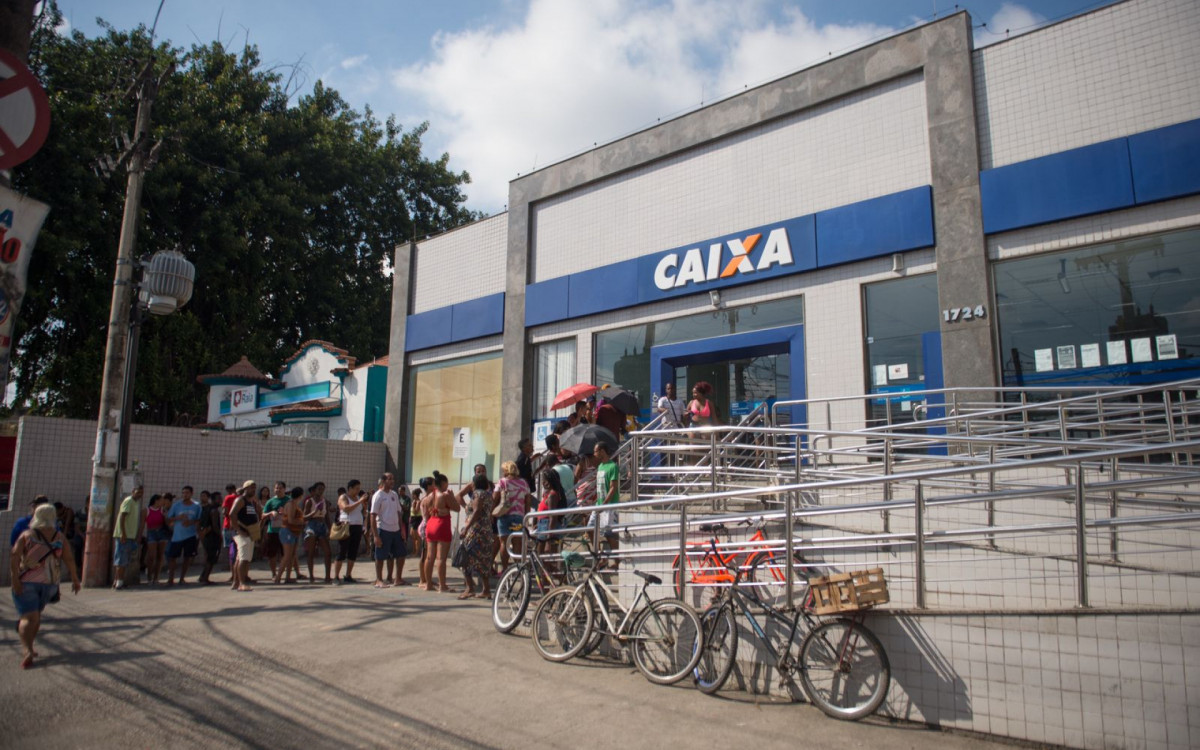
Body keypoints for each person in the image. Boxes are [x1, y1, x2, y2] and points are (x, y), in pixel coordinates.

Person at [10, 504, 80, 669]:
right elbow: (69, 559)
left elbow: (14, 556)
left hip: (27, 581)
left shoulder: (28, 535)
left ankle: (27, 649)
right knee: (36, 616)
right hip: (49, 584)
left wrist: (14, 579)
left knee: (28, 617)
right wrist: (75, 579)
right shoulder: (59, 537)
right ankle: (31, 647)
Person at [420, 471, 459, 592]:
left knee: (429, 557)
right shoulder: (445, 495)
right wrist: (452, 496)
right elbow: (457, 508)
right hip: (442, 524)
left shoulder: (429, 497)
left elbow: (425, 512)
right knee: (441, 558)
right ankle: (442, 585)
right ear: (443, 483)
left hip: (431, 524)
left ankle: (428, 584)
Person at [457, 474, 495, 600]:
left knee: (465, 557)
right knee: (484, 559)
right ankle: (486, 590)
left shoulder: (477, 494)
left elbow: (477, 511)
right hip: (486, 531)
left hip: (476, 531)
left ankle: (469, 588)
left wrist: (466, 528)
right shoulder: (489, 495)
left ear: (475, 483)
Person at [493, 460, 530, 573]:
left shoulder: (502, 482)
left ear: (506, 470)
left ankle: (504, 569)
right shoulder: (524, 483)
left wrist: (492, 513)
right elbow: (527, 501)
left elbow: (495, 498)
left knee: (504, 543)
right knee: (517, 543)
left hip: (504, 516)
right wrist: (526, 516)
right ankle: (518, 568)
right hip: (519, 517)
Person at [370, 473, 406, 588]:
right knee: (380, 556)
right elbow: (372, 516)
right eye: (390, 479)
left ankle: (398, 578)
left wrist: (402, 530)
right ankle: (379, 580)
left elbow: (399, 513)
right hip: (383, 529)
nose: (392, 481)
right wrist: (376, 536)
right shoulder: (378, 495)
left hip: (395, 530)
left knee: (401, 554)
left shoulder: (394, 494)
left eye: (393, 478)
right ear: (383, 481)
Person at [591, 442, 621, 569]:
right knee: (590, 529)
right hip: (599, 505)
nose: (594, 454)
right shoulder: (600, 466)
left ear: (602, 451)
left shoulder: (613, 466)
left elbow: (613, 488)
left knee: (608, 534)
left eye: (596, 451)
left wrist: (604, 504)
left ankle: (617, 559)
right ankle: (600, 556)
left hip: (609, 506)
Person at [165, 486, 203, 586]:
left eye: (187, 493)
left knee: (187, 557)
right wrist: (178, 517)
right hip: (177, 536)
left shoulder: (197, 506)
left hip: (190, 535)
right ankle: (171, 579)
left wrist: (191, 522)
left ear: (191, 493)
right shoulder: (176, 505)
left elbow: (199, 520)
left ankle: (182, 578)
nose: (185, 495)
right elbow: (168, 519)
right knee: (172, 557)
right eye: (183, 493)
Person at [333, 479, 367, 584]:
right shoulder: (344, 497)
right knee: (341, 552)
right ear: (350, 488)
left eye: (359, 488)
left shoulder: (357, 498)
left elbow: (363, 511)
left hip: (357, 526)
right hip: (346, 526)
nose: (358, 491)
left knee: (353, 552)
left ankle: (348, 575)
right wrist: (360, 501)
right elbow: (346, 508)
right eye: (356, 488)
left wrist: (363, 507)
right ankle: (336, 577)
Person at [228, 480, 259, 592]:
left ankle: (236, 582)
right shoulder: (241, 500)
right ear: (245, 488)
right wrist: (239, 530)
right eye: (251, 487)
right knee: (244, 559)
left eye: (254, 488)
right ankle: (242, 583)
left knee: (240, 558)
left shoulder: (251, 501)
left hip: (250, 533)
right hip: (242, 534)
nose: (253, 490)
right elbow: (232, 514)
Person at [111, 485, 144, 589]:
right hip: (124, 536)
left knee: (124, 560)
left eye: (141, 493)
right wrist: (123, 533)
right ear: (133, 491)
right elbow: (122, 517)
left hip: (130, 535)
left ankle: (118, 581)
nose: (139, 495)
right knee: (121, 560)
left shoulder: (136, 503)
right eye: (138, 492)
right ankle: (118, 582)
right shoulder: (128, 501)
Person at [303, 482, 333, 584]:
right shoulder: (309, 501)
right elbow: (304, 517)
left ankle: (327, 576)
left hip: (322, 526)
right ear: (314, 490)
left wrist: (331, 529)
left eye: (322, 489)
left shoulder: (324, 501)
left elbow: (327, 517)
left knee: (328, 553)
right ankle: (311, 576)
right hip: (312, 525)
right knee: (311, 553)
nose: (321, 491)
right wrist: (314, 511)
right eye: (319, 489)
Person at [275, 487, 306, 584]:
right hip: (287, 531)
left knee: (292, 555)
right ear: (300, 495)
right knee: (287, 555)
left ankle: (288, 577)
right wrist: (302, 521)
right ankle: (278, 578)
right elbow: (291, 520)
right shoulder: (291, 504)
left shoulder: (294, 504)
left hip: (294, 532)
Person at [536, 464, 567, 562]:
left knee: (543, 560)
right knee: (544, 560)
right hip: (544, 526)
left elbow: (552, 517)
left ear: (549, 482)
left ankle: (546, 577)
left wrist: (549, 540)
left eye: (544, 480)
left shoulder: (552, 495)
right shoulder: (549, 494)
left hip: (547, 528)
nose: (542, 483)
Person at [261, 482, 289, 581]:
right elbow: (262, 515)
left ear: (284, 489)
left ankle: (283, 574)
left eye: (280, 488)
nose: (278, 490)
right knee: (271, 554)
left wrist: (285, 512)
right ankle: (274, 573)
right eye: (276, 488)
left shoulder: (289, 500)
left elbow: (296, 514)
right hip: (272, 531)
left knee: (285, 554)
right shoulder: (270, 501)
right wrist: (271, 513)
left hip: (286, 530)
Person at [197, 490, 223, 585]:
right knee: (211, 559)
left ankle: (202, 576)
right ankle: (205, 578)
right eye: (219, 499)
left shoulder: (206, 509)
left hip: (206, 536)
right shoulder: (214, 511)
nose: (221, 500)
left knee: (209, 557)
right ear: (213, 500)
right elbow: (215, 526)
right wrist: (220, 535)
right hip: (212, 537)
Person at [143, 493, 169, 585]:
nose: (163, 501)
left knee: (160, 556)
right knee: (151, 556)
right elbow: (142, 524)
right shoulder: (146, 510)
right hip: (151, 533)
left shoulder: (163, 510)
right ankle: (149, 576)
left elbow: (167, 522)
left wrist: (166, 515)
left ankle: (156, 577)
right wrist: (140, 536)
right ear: (156, 500)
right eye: (161, 500)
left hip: (162, 533)